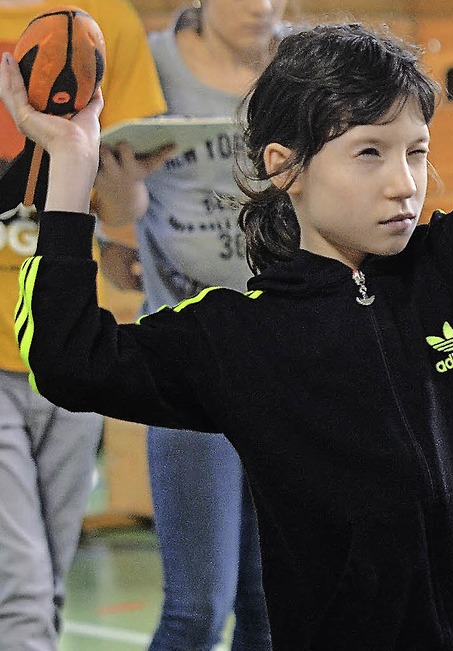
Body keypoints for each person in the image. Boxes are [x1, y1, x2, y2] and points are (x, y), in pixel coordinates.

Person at [3, 22, 453, 651]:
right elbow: (69, 358)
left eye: (415, 150)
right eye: (370, 152)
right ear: (286, 168)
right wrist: (72, 165)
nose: (405, 182)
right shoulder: (241, 335)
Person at [92, 1, 291, 648]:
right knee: (198, 608)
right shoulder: (152, 66)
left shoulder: (300, 65)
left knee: (270, 607)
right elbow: (100, 199)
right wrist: (116, 223)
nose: (260, 7)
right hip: (188, 364)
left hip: (285, 361)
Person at [0, 1, 166, 648]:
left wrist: (125, 194)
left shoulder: (107, 22)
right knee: (22, 584)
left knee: (49, 579)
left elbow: (118, 199)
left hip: (63, 339)